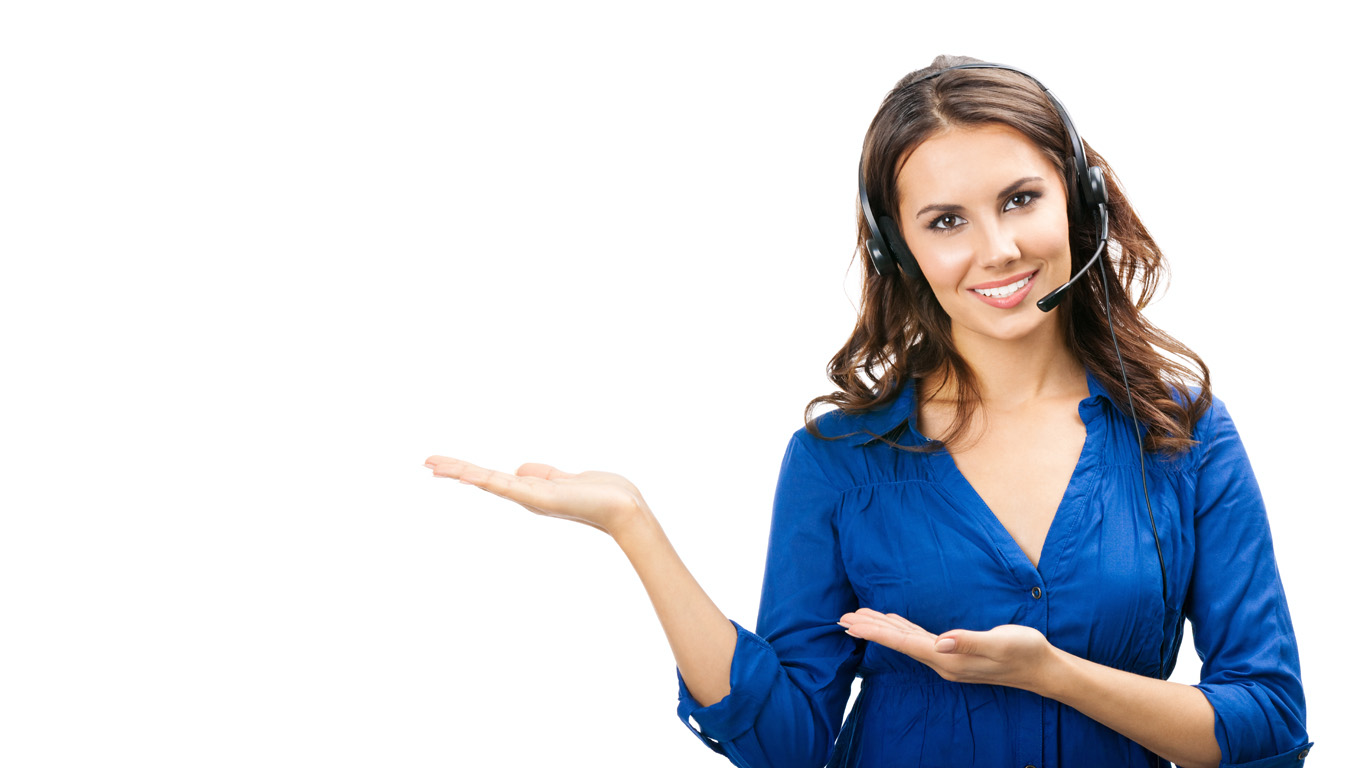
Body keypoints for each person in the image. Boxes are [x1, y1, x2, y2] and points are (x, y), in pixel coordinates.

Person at [425, 55, 1310, 767]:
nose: (997, 249)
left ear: (1074, 196)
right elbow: (787, 744)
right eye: (945, 221)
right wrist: (633, 525)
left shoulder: (1182, 431)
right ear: (899, 248)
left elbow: (1268, 721)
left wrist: (1053, 675)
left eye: (1019, 199)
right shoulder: (836, 459)